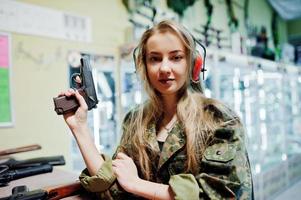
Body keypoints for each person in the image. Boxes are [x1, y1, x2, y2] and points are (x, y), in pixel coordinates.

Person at [59, 20, 253, 199]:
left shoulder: (219, 120)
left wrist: (136, 184)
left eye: (176, 57)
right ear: (143, 67)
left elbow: (221, 194)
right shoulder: (136, 120)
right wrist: (80, 128)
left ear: (194, 65)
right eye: (155, 59)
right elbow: (115, 190)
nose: (164, 68)